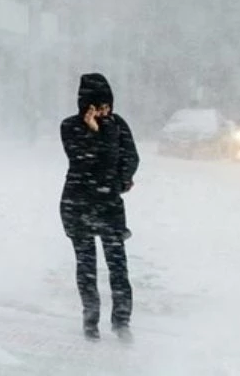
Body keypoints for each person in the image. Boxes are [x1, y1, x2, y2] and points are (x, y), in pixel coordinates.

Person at [59, 73, 140, 340]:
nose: (106, 112)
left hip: (109, 205)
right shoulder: (69, 126)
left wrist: (120, 181)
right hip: (77, 205)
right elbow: (83, 162)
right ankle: (90, 321)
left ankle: (121, 322)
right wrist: (95, 131)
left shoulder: (118, 124)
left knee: (118, 266)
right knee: (87, 266)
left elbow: (131, 157)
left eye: (108, 106)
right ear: (86, 106)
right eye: (99, 107)